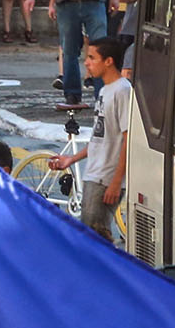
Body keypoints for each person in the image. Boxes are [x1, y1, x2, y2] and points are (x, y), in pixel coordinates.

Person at [47, 35, 131, 245]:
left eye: (92, 58)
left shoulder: (123, 91)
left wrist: (116, 182)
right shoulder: (103, 91)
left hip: (106, 179)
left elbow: (128, 140)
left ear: (108, 61)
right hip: (94, 174)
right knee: (90, 237)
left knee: (96, 241)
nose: (87, 62)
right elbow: (99, 137)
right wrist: (71, 159)